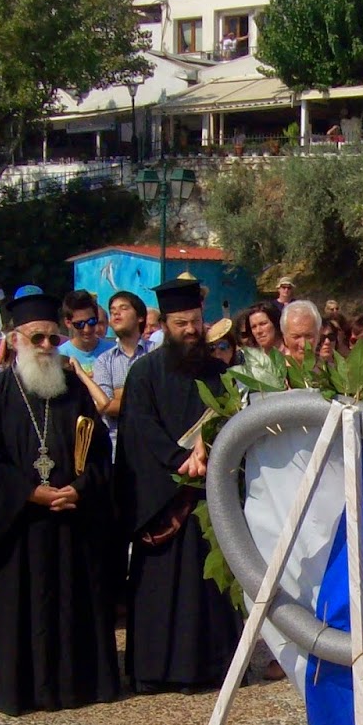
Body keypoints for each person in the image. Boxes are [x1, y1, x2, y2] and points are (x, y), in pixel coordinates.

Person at [0, 292, 120, 713]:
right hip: (19, 530)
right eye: (38, 339)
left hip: (70, 523)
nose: (47, 347)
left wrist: (80, 489)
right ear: (16, 340)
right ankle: (19, 688)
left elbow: (101, 456)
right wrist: (29, 492)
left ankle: (75, 686)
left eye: (52, 338)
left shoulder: (73, 394)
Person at [114, 278, 242, 693]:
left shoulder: (218, 373)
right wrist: (180, 461)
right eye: (181, 323)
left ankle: (211, 667)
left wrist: (210, 453)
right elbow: (139, 429)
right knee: (161, 586)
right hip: (162, 498)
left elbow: (230, 419)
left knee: (207, 586)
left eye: (195, 322)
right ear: (165, 325)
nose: (190, 330)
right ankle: (156, 671)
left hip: (209, 494)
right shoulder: (144, 374)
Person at [91, 290, 153, 454]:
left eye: (124, 308)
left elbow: (164, 400)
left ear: (140, 317)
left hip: (153, 447)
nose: (116, 313)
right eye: (112, 311)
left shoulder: (157, 353)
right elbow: (105, 405)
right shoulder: (104, 361)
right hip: (116, 449)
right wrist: (146, 397)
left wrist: (120, 395)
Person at [58, 290, 114, 373]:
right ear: (68, 323)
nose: (87, 329)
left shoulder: (113, 351)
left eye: (91, 321)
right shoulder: (60, 354)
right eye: (79, 324)